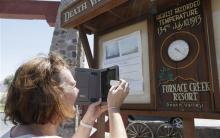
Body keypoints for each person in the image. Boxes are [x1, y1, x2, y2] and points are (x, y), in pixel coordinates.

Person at [1, 53, 129, 138]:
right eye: (73, 85)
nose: (78, 91)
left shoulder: (13, 133)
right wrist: (114, 109)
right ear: (53, 93)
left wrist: (88, 120)